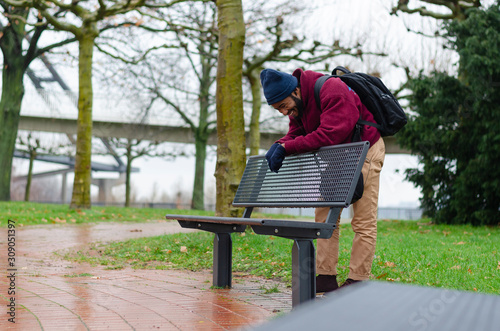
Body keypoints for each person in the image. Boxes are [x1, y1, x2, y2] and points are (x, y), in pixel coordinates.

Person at [260, 68, 385, 292]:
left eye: (283, 105)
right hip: (340, 154)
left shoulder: (332, 90)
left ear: (295, 90)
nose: (283, 112)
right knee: (324, 215)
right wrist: (280, 144)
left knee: (362, 220)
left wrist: (288, 147)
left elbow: (330, 134)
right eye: (278, 108)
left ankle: (358, 280)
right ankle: (326, 277)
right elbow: (296, 132)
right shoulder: (298, 106)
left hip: (366, 149)